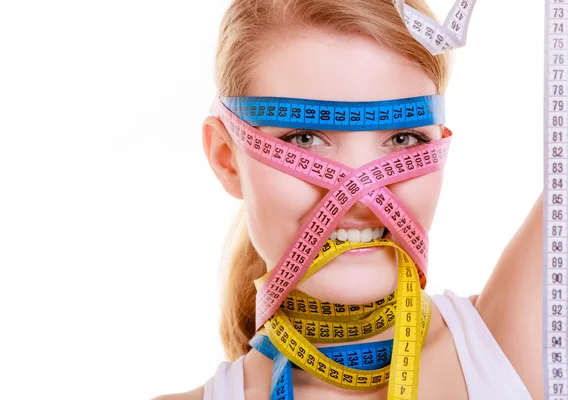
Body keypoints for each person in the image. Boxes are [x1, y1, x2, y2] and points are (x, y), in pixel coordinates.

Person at [156, 0, 543, 398]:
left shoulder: (518, 338)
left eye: (403, 139)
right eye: (304, 138)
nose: (362, 199)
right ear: (227, 159)